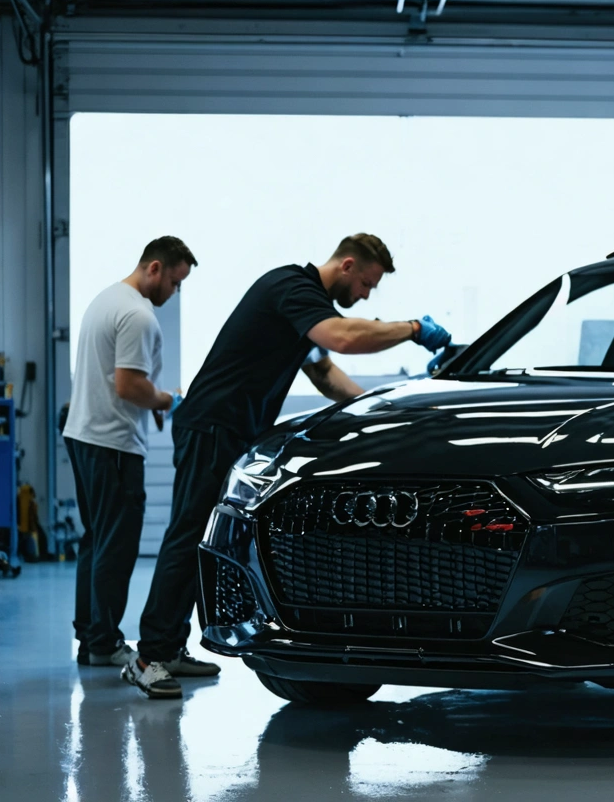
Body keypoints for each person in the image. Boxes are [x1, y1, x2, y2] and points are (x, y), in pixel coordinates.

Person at [123, 233, 452, 698]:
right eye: (366, 284)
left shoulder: (307, 308)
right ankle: (147, 658)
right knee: (188, 535)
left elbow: (325, 374)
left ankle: (170, 646)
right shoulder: (292, 288)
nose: (365, 295)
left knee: (205, 540)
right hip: (213, 425)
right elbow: (342, 337)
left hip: (232, 429)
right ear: (347, 265)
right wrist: (413, 329)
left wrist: (381, 408)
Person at [64, 236, 198, 667]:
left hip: (85, 435)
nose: (174, 292)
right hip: (114, 444)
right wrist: (167, 401)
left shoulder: (106, 300)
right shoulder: (139, 315)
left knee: (96, 541)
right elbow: (128, 386)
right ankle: (104, 643)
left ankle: (92, 639)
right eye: (174, 282)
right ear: (154, 268)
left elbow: (116, 380)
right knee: (117, 547)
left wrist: (151, 398)